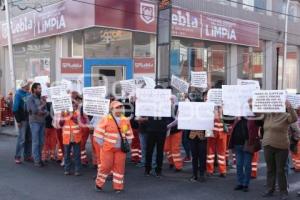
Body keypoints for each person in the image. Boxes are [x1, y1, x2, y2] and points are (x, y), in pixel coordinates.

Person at [250, 99, 297, 200]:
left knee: (281, 170)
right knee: (270, 169)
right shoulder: (267, 115)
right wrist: (251, 104)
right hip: (268, 145)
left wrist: (290, 107)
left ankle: (283, 191)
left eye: (277, 105)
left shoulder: (285, 116)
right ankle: (269, 189)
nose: (275, 108)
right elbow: (257, 114)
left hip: (281, 146)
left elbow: (294, 119)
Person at [95, 101, 133, 193]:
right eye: (117, 107)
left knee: (119, 167)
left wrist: (128, 144)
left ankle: (118, 187)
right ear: (111, 109)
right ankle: (99, 183)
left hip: (120, 149)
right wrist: (103, 145)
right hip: (107, 148)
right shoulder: (105, 119)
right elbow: (98, 134)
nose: (119, 109)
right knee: (105, 167)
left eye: (120, 107)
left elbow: (129, 134)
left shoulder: (125, 119)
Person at [144, 85, 171, 177]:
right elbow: (141, 109)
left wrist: (170, 102)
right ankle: (147, 169)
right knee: (149, 150)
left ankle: (158, 170)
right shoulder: (149, 103)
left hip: (161, 130)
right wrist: (137, 100)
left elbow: (171, 115)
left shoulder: (166, 103)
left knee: (160, 151)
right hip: (151, 129)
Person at [228, 117, 260, 192]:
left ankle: (245, 184)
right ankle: (240, 183)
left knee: (247, 165)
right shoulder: (236, 118)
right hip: (237, 145)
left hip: (248, 146)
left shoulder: (252, 119)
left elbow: (258, 126)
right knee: (239, 165)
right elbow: (228, 120)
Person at [27, 83, 48, 167]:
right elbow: (34, 110)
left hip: (42, 122)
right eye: (39, 88)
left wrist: (43, 111)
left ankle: (39, 159)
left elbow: (46, 111)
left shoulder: (41, 98)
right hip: (34, 122)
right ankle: (36, 160)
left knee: (41, 142)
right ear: (34, 89)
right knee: (36, 142)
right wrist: (43, 106)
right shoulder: (30, 98)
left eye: (41, 88)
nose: (41, 90)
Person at [13, 80, 32, 164]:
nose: (29, 86)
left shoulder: (28, 93)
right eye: (28, 85)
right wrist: (18, 120)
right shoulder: (18, 94)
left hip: (29, 119)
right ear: (25, 86)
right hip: (22, 120)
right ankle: (17, 156)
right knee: (21, 139)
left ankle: (27, 156)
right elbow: (15, 109)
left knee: (29, 138)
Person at [206, 106, 228, 177]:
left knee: (222, 152)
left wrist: (222, 113)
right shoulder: (209, 104)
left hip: (222, 131)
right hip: (210, 129)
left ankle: (223, 170)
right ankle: (210, 170)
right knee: (210, 152)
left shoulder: (227, 105)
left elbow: (230, 119)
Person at [164, 95, 183, 171]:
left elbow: (177, 120)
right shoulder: (165, 107)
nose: (170, 101)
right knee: (167, 148)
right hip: (168, 131)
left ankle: (178, 166)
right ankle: (171, 162)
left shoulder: (178, 107)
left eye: (172, 99)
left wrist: (168, 126)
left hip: (176, 131)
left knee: (175, 149)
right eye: (169, 99)